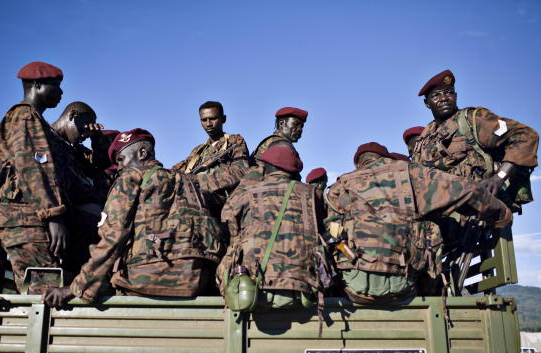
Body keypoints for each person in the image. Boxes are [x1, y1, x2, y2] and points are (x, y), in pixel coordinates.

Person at [43, 129, 223, 307]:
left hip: (146, 280)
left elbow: (113, 236)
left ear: (142, 153)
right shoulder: (188, 181)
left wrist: (78, 287)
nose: (119, 167)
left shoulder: (132, 176)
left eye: (121, 159)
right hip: (198, 281)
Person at [326, 142, 513, 303]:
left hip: (352, 288)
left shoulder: (341, 186)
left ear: (359, 163)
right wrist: (502, 214)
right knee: (429, 226)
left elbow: (329, 233)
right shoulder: (412, 173)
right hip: (407, 286)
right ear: (386, 158)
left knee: (336, 239)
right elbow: (468, 191)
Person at [0, 61, 67, 294]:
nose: (61, 92)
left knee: (41, 286)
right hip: (23, 217)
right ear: (36, 85)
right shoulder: (25, 116)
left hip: (25, 216)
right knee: (43, 289)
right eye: (55, 85)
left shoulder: (34, 119)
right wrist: (53, 215)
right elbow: (32, 169)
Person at [218, 145, 333, 311]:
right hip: (305, 287)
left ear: (267, 167)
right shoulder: (313, 193)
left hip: (253, 289)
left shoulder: (247, 194)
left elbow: (228, 225)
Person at [412, 70, 538, 211]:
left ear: (456, 96)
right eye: (436, 95)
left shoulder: (473, 119)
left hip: (484, 215)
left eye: (448, 92)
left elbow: (524, 135)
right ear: (427, 103)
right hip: (446, 221)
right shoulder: (424, 137)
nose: (444, 98)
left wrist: (499, 177)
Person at [50, 102, 110, 276]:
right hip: (61, 226)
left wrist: (96, 138)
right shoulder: (45, 140)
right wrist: (54, 218)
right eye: (83, 128)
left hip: (82, 230)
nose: (84, 135)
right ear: (72, 116)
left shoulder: (75, 150)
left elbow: (102, 166)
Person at [173, 101, 250, 201]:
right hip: (194, 193)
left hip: (223, 198)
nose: (208, 124)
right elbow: (178, 169)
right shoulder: (198, 151)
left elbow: (240, 171)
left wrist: (198, 180)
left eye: (213, 119)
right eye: (204, 120)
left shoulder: (235, 141)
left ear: (223, 119)